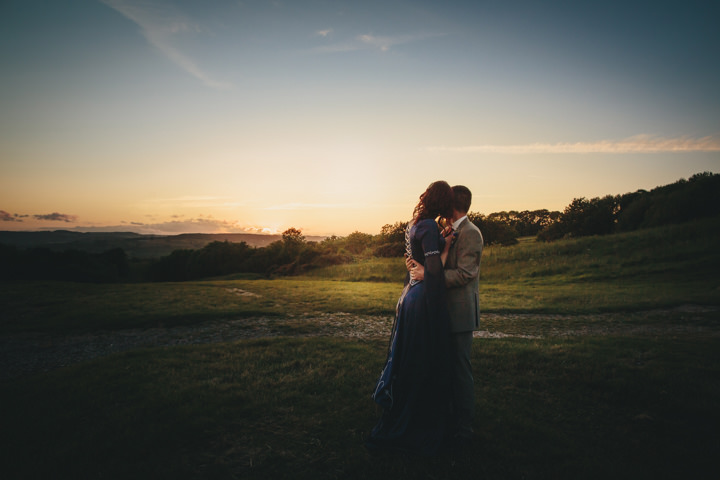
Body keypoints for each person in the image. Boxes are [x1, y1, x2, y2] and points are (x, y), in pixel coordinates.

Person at [366, 180, 455, 456]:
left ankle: (402, 411)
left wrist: (445, 239)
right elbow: (431, 270)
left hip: (410, 295)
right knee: (420, 360)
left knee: (409, 358)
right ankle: (413, 423)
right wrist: (447, 248)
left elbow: (412, 261)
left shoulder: (416, 222)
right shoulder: (429, 227)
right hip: (422, 299)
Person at [407, 185, 483, 447]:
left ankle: (464, 429)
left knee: (460, 371)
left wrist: (427, 275)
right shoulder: (446, 230)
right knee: (443, 367)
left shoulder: (472, 233)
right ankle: (446, 420)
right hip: (442, 310)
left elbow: (464, 274)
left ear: (453, 205)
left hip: (460, 314)